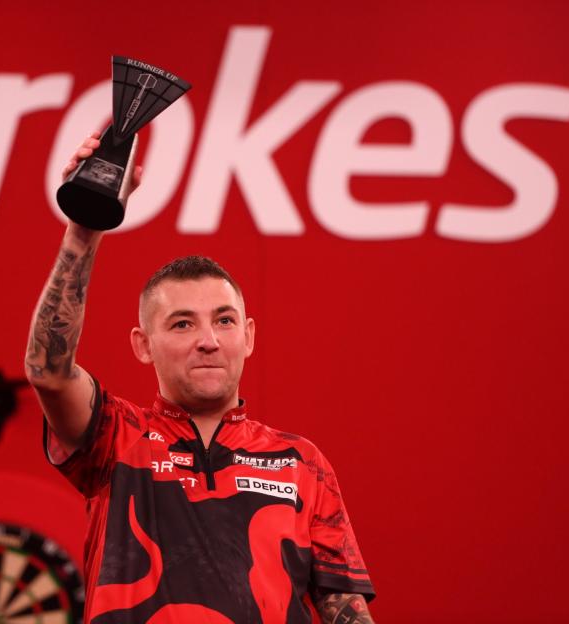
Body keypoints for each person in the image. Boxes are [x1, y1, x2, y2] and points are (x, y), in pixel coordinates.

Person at [25, 132, 376, 624]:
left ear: (248, 337)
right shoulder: (116, 438)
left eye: (224, 321)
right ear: (142, 344)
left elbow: (345, 610)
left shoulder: (302, 463)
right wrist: (83, 229)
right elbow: (48, 370)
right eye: (182, 324)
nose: (208, 340)